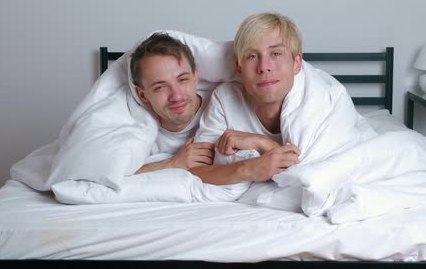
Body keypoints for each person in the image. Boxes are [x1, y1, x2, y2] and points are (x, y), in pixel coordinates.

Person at [190, 12, 303, 185]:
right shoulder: (225, 98)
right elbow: (196, 171)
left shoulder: (319, 100)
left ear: (297, 63)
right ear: (239, 68)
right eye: (252, 56)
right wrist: (249, 168)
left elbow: (311, 172)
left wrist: (261, 143)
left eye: (276, 53)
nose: (264, 67)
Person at [129, 32, 215, 174]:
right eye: (160, 87)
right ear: (142, 94)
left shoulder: (223, 105)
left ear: (195, 77)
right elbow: (113, 176)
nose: (176, 96)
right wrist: (173, 162)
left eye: (182, 80)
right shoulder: (136, 128)